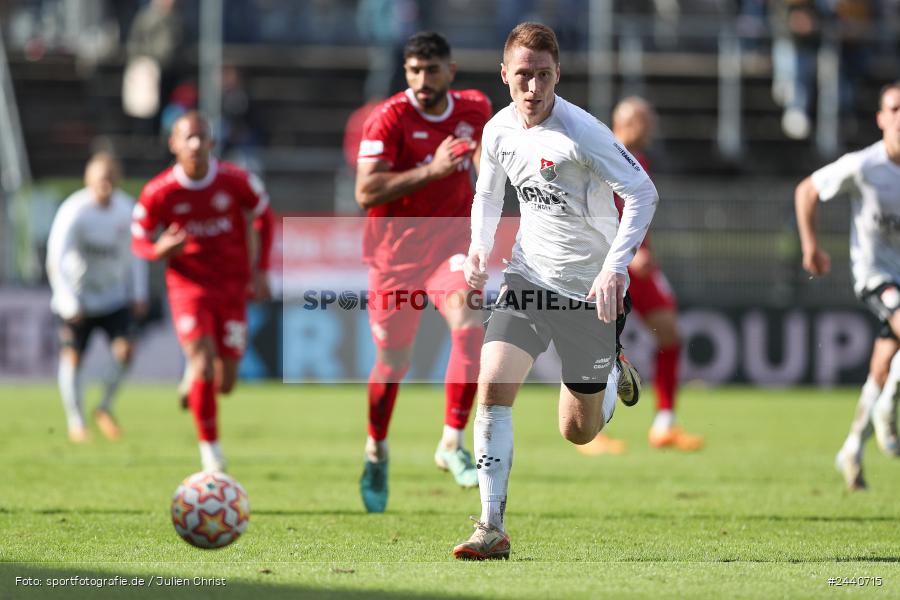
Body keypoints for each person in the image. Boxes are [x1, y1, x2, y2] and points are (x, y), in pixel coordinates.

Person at [451, 22, 657, 560]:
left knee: (578, 432)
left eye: (544, 76)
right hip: (527, 279)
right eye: (524, 75)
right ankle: (490, 526)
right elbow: (488, 194)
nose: (534, 88)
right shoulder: (497, 132)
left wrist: (614, 269)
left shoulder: (583, 133)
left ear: (557, 74)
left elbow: (642, 192)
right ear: (505, 75)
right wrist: (478, 249)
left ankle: (610, 370)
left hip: (590, 293)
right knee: (492, 387)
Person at [354, 31, 492, 512]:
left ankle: (452, 442)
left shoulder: (475, 107)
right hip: (394, 258)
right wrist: (431, 172)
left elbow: (485, 155)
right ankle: (376, 448)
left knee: (471, 322)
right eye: (413, 70)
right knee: (393, 363)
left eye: (431, 70)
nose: (421, 80)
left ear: (450, 72)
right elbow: (366, 192)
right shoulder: (388, 118)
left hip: (449, 248)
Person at [131, 111, 274, 473]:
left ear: (211, 143)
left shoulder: (234, 181)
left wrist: (261, 270)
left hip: (231, 287)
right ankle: (211, 451)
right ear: (173, 144)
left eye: (201, 137)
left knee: (225, 383)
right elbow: (139, 240)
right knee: (203, 365)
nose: (195, 144)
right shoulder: (158, 191)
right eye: (187, 137)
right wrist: (158, 251)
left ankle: (192, 380)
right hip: (188, 287)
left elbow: (265, 217)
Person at [578, 96, 702, 455]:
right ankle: (590, 432)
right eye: (644, 120)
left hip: (638, 266)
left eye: (651, 120)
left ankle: (665, 423)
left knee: (670, 334)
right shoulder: (599, 159)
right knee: (595, 344)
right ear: (624, 122)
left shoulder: (639, 161)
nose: (650, 127)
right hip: (605, 266)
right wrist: (626, 257)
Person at [794, 81, 900, 491]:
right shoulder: (865, 166)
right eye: (894, 108)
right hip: (876, 276)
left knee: (881, 365)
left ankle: (852, 447)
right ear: (880, 118)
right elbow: (807, 190)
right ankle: (888, 409)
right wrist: (811, 246)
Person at [46, 152, 148, 443]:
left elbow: (136, 254)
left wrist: (138, 292)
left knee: (126, 352)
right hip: (77, 298)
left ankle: (103, 405)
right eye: (100, 178)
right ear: (88, 179)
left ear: (117, 179)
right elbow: (56, 257)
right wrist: (66, 299)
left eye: (110, 177)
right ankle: (76, 422)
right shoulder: (74, 211)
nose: (105, 183)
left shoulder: (127, 210)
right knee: (73, 356)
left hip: (113, 297)